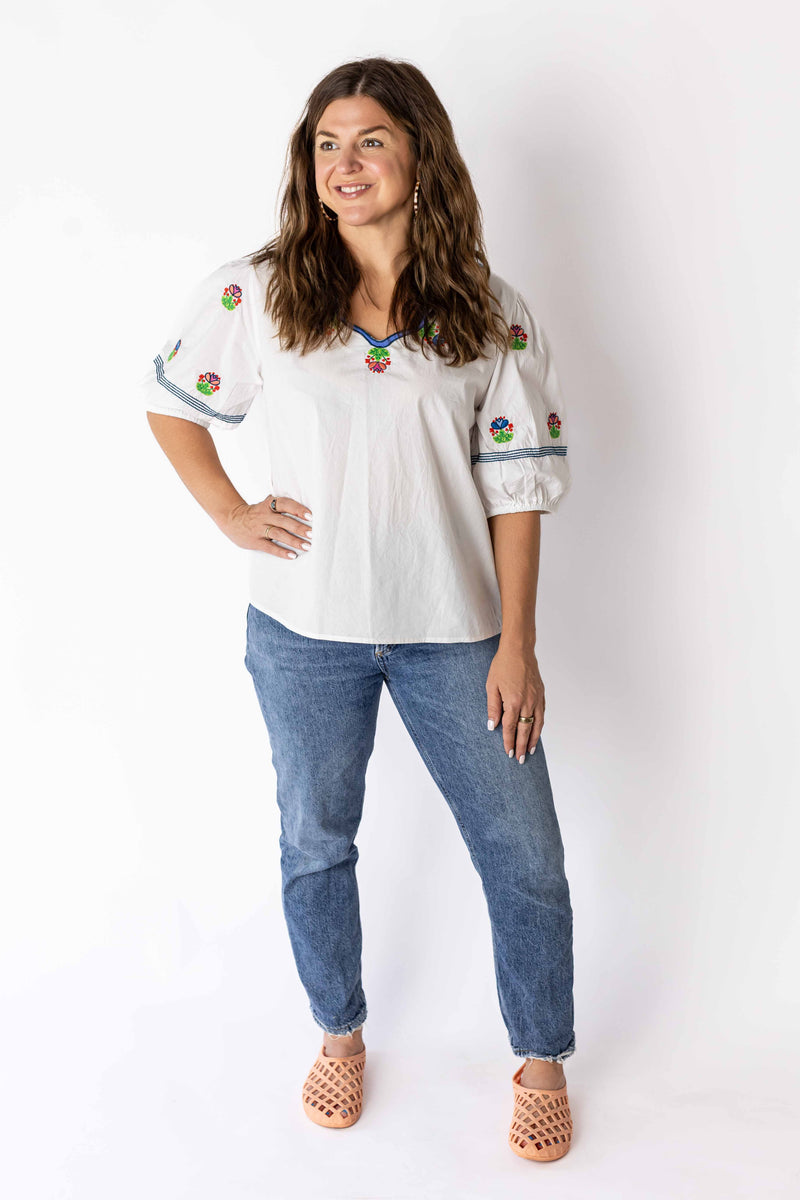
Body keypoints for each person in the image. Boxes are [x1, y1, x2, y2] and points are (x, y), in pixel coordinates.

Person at [141, 56, 575, 1162]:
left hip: (455, 636)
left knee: (521, 854)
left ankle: (537, 1059)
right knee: (314, 841)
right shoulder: (263, 291)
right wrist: (231, 513)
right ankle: (339, 1034)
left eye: (369, 140)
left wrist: (515, 645)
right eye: (326, 144)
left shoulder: (485, 309)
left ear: (417, 152)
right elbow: (170, 403)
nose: (344, 164)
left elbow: (515, 487)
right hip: (302, 634)